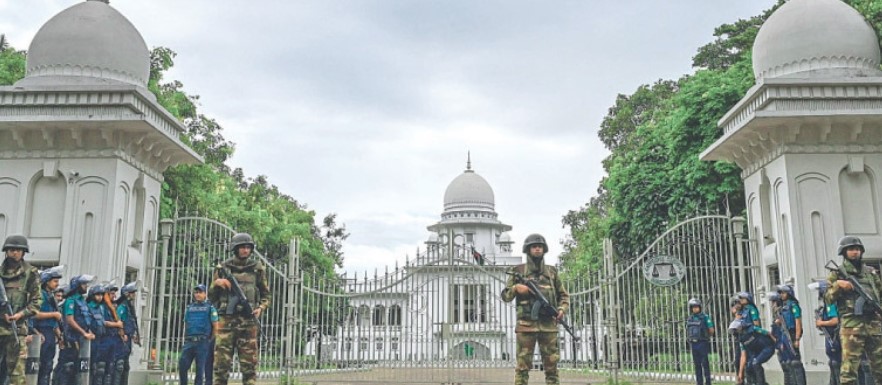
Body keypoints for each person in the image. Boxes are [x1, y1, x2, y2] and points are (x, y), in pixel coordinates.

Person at [501, 233, 570, 385]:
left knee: (552, 368)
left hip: (548, 327)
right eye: (534, 246)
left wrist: (561, 310)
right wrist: (515, 288)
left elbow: (564, 296)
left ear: (544, 250)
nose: (537, 249)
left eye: (540, 247)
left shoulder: (552, 272)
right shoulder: (518, 271)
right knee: (522, 368)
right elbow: (505, 296)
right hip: (526, 327)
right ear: (528, 250)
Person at [209, 233, 270, 385]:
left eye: (248, 247)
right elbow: (211, 297)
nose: (245, 250)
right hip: (226, 322)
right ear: (235, 248)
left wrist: (261, 308)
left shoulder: (257, 268)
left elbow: (266, 295)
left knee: (249, 366)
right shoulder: (223, 268)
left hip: (248, 322)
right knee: (221, 365)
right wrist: (217, 283)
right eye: (242, 247)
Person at [825, 236, 882, 385]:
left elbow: (879, 294)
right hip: (852, 326)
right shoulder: (837, 273)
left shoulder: (871, 272)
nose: (855, 252)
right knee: (849, 370)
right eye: (851, 249)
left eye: (857, 249)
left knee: (880, 367)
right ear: (843, 252)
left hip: (874, 324)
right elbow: (827, 299)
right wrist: (838, 285)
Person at [0, 234, 41, 385]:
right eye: (11, 250)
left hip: (17, 330)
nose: (14, 253)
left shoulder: (30, 273)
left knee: (17, 376)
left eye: (18, 250)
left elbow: (36, 302)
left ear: (23, 252)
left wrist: (19, 315)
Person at [56, 275, 96, 385]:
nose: (86, 286)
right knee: (67, 369)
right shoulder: (71, 300)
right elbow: (70, 320)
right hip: (72, 340)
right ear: (77, 286)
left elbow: (87, 319)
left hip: (82, 341)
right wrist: (84, 333)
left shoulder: (82, 301)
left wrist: (89, 332)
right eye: (84, 284)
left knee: (79, 371)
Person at [180, 284, 218, 385]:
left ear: (205, 294)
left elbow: (215, 326)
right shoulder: (190, 308)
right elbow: (186, 323)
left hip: (203, 342)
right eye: (196, 292)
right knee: (182, 365)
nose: (197, 294)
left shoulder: (210, 308)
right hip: (189, 341)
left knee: (200, 370)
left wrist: (210, 340)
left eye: (200, 292)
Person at [33, 266, 64, 385]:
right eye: (55, 281)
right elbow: (34, 314)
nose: (57, 284)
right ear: (46, 282)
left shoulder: (50, 296)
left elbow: (54, 322)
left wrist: (60, 336)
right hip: (40, 332)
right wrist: (54, 314)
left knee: (48, 366)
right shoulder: (40, 295)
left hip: (50, 333)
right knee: (37, 366)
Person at [729, 318, 774, 385]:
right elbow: (743, 356)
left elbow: (767, 333)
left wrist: (776, 342)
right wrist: (740, 373)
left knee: (756, 363)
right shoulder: (741, 340)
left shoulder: (753, 329)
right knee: (748, 366)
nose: (734, 333)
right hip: (757, 353)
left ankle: (761, 383)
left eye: (735, 330)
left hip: (767, 348)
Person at [115, 282, 139, 385]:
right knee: (120, 365)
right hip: (122, 340)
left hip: (128, 338)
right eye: (132, 292)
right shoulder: (123, 306)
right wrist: (122, 334)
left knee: (125, 365)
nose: (134, 294)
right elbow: (119, 322)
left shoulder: (129, 306)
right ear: (126, 294)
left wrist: (133, 334)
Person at [686, 298, 714, 385]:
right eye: (693, 307)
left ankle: (708, 382)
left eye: (696, 307)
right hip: (694, 343)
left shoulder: (705, 317)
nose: (695, 309)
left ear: (700, 307)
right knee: (697, 364)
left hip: (702, 342)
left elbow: (711, 329)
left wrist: (706, 336)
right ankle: (699, 382)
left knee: (705, 363)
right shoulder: (690, 318)